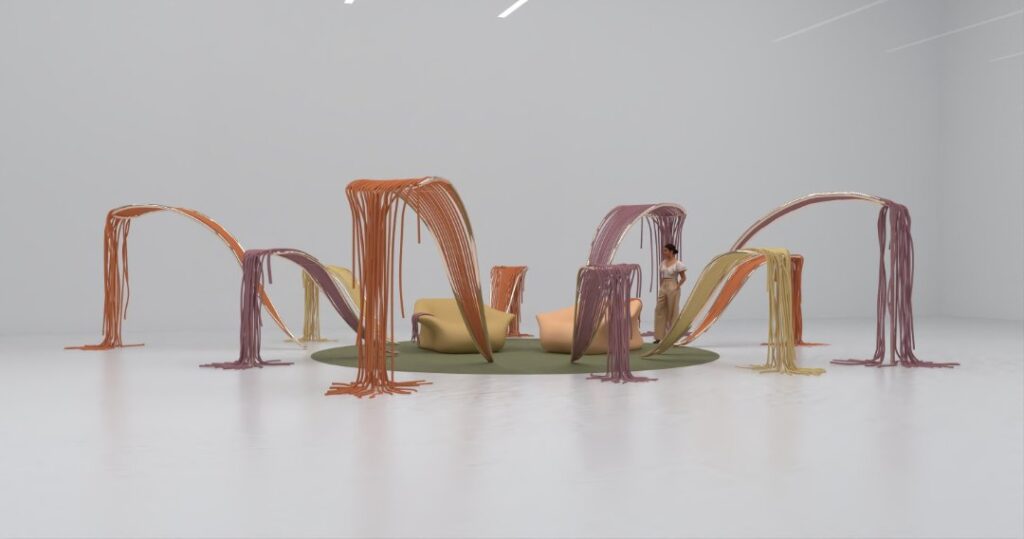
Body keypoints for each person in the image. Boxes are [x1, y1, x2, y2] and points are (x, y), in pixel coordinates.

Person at [653, 243, 686, 344]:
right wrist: (662, 285)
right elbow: (663, 275)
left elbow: (683, 278)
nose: (664, 252)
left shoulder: (678, 263)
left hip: (673, 285)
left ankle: (672, 337)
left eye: (666, 250)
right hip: (664, 286)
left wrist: (677, 286)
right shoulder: (663, 262)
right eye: (664, 250)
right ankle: (659, 336)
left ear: (671, 251)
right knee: (659, 309)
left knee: (673, 310)